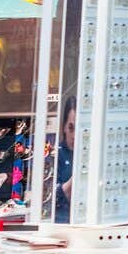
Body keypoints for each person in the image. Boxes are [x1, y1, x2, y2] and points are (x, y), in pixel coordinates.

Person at [54, 96, 76, 224]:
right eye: (71, 128)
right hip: (60, 223)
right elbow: (50, 198)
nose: (74, 135)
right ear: (64, 127)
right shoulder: (56, 153)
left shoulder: (92, 155)